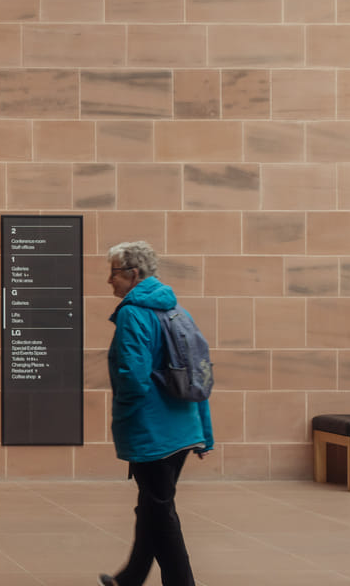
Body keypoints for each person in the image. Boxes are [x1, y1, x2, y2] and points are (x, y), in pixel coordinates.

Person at [100, 240, 213, 586]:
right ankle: (131, 577)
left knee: (160, 510)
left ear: (134, 274)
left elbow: (133, 377)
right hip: (181, 429)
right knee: (152, 505)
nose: (109, 281)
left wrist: (126, 417)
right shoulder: (178, 311)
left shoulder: (134, 313)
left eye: (114, 273)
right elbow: (200, 375)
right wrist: (204, 432)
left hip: (153, 432)